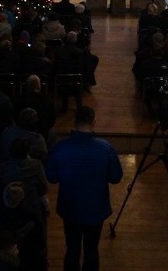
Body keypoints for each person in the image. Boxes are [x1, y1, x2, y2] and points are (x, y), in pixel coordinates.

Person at [45, 106, 123, 271]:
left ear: (74, 122)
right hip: (95, 209)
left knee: (72, 249)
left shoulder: (61, 147)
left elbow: (51, 177)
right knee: (91, 250)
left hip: (70, 208)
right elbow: (116, 177)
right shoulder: (105, 148)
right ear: (93, 122)